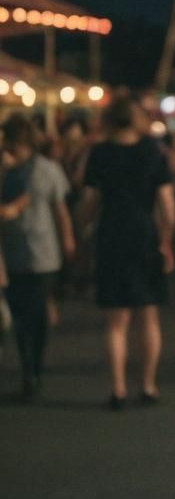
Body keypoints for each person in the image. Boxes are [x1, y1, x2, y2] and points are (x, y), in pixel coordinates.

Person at [80, 97, 175, 408]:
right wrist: (165, 240)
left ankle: (118, 388)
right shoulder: (153, 152)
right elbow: (168, 207)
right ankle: (148, 385)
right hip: (144, 235)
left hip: (112, 235)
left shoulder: (100, 153)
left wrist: (82, 230)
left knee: (116, 321)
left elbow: (90, 201)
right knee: (148, 316)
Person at [0, 114, 75, 400]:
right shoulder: (5, 171)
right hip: (15, 251)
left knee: (37, 312)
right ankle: (29, 367)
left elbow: (60, 209)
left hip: (43, 251)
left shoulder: (46, 170)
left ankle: (35, 367)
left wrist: (67, 238)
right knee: (20, 312)